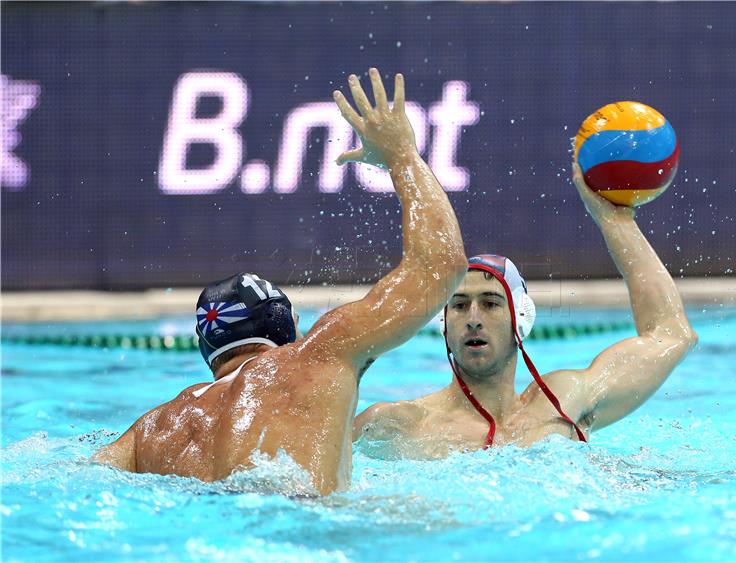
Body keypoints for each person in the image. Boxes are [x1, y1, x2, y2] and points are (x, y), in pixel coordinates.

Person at [91, 68, 467, 495]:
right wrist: (402, 157)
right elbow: (440, 266)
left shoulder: (150, 431)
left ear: (207, 348)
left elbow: (80, 478)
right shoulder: (315, 355)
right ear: (285, 327)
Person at [353, 164, 698, 457]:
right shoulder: (396, 426)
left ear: (521, 318)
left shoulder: (567, 402)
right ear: (443, 322)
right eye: (459, 306)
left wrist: (616, 223)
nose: (473, 319)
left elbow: (671, 334)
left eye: (490, 303)